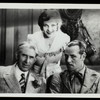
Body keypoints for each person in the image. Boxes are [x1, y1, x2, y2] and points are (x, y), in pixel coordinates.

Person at [27, 9, 70, 79]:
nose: (49, 29)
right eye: (46, 25)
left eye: (53, 25)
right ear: (41, 25)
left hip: (55, 76)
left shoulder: (64, 38)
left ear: (57, 25)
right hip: (35, 76)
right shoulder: (33, 38)